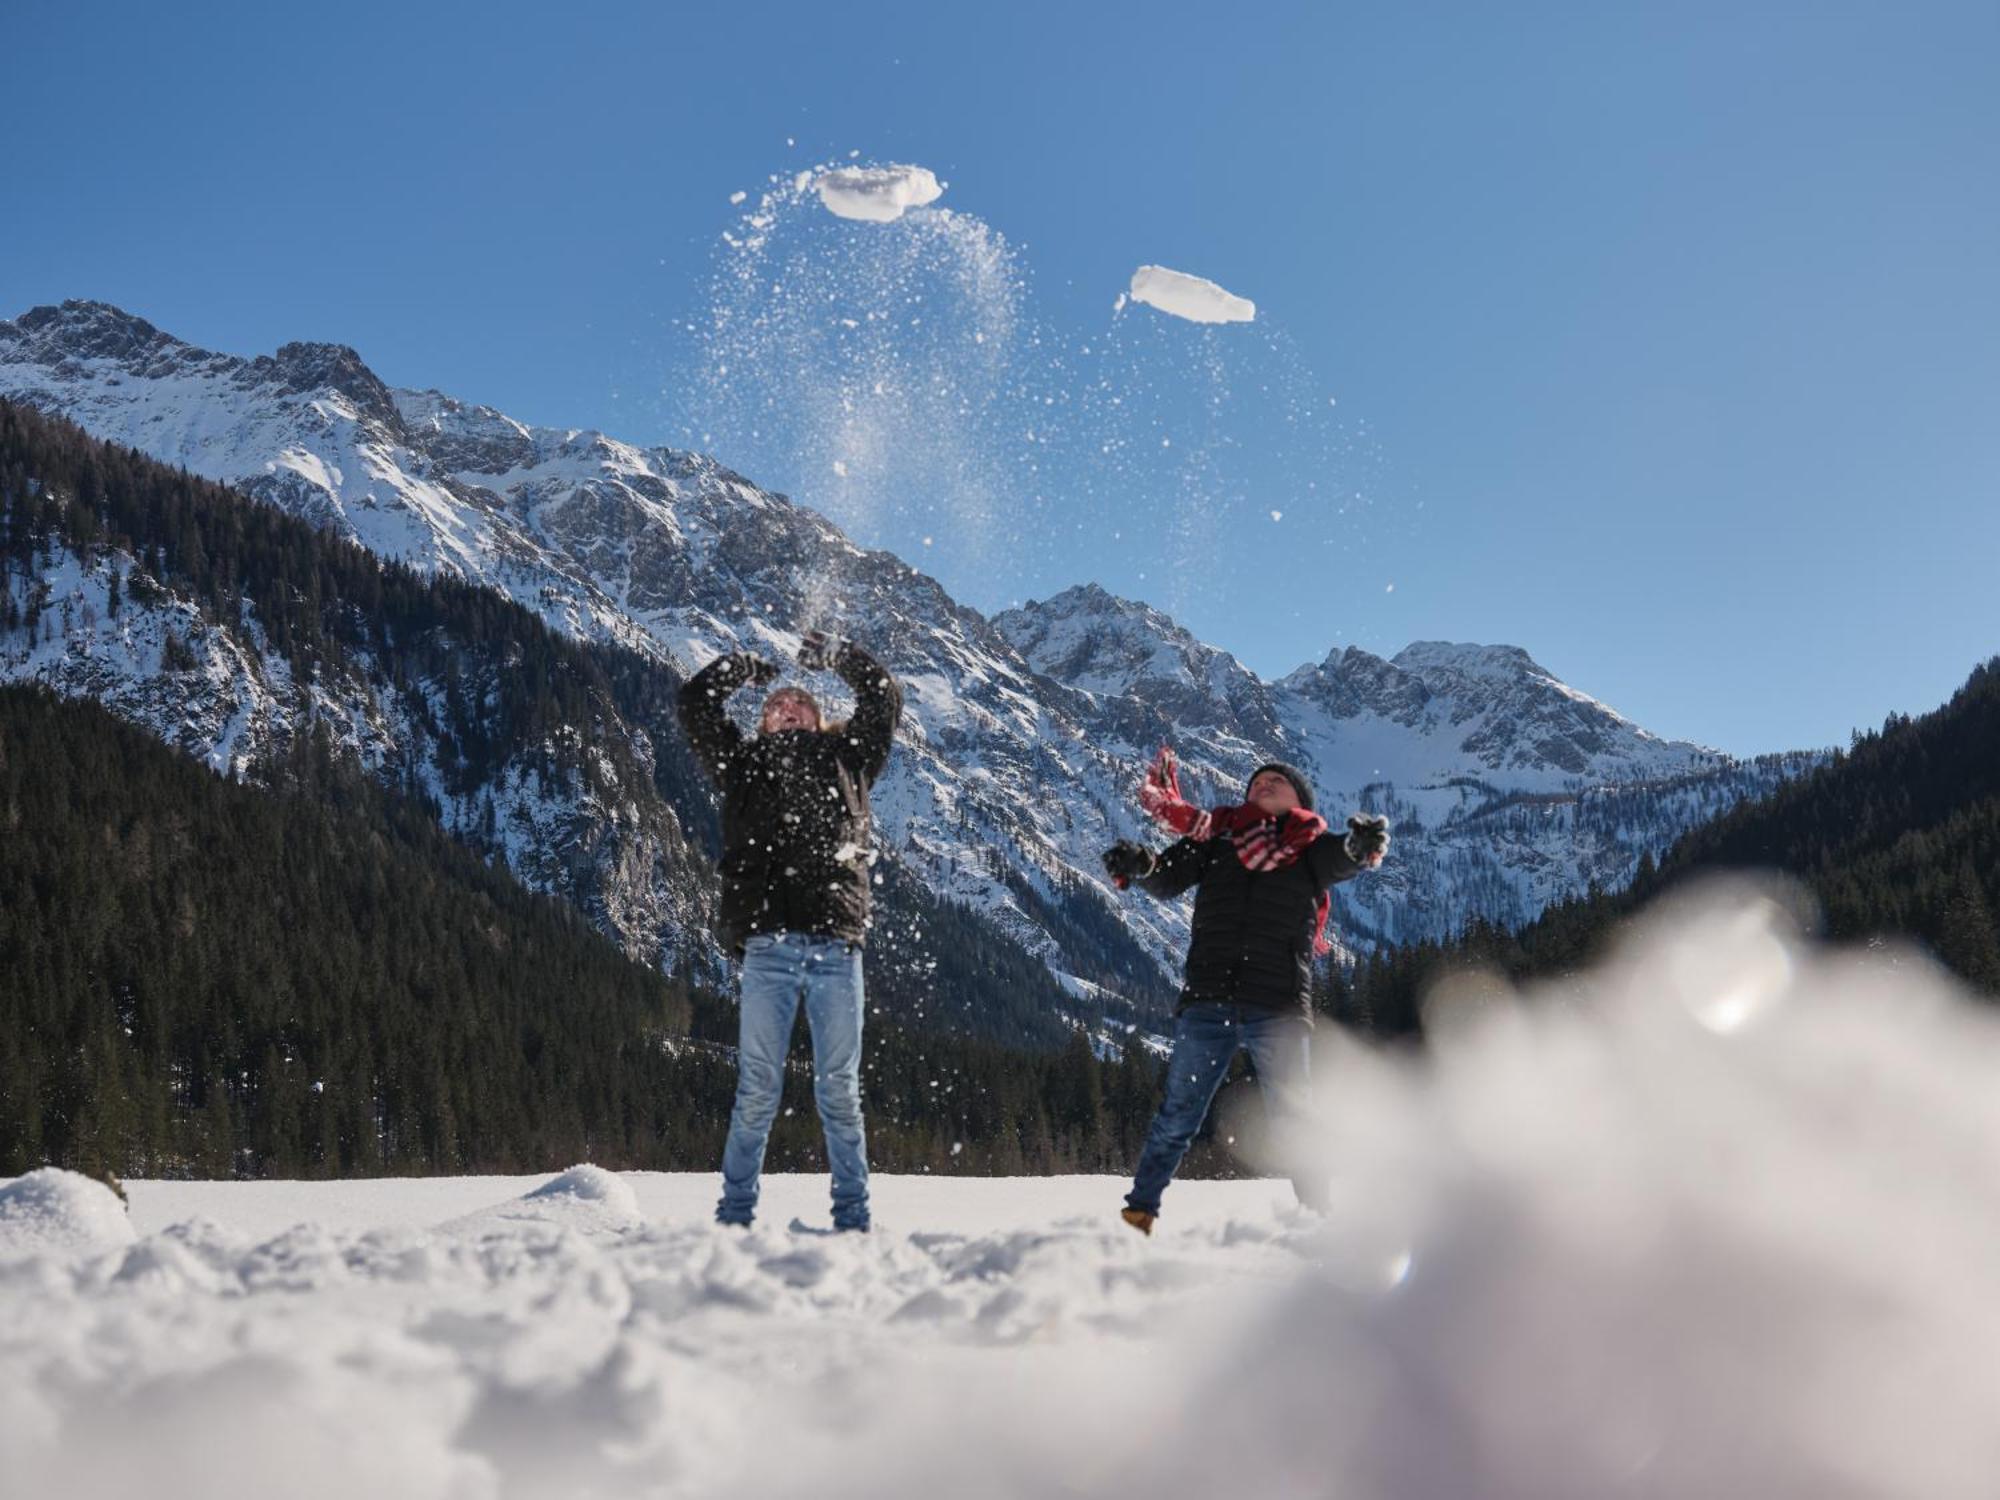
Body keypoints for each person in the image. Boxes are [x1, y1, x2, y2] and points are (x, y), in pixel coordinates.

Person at [1102, 754, 1389, 1234]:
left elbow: (1341, 859)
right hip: (1209, 999)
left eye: (1279, 781)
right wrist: (1142, 865)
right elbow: (1167, 877)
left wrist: (1360, 847)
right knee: (1178, 1116)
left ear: (1301, 802)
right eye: (1258, 780)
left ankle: (1318, 1223)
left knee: (1294, 1119)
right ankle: (1139, 1213)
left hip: (1277, 1005)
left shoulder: (1311, 849)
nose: (1266, 783)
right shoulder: (1218, 840)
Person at [679, 629, 902, 1232]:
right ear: (761, 725)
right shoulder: (741, 764)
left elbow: (884, 699)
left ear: (820, 718)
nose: (785, 707)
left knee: (840, 1093)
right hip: (768, 945)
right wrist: (735, 670)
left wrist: (840, 656)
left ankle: (853, 1221)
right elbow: (694, 707)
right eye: (773, 704)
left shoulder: (850, 758)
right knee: (757, 1089)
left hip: (836, 945)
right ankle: (734, 1216)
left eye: (798, 702)